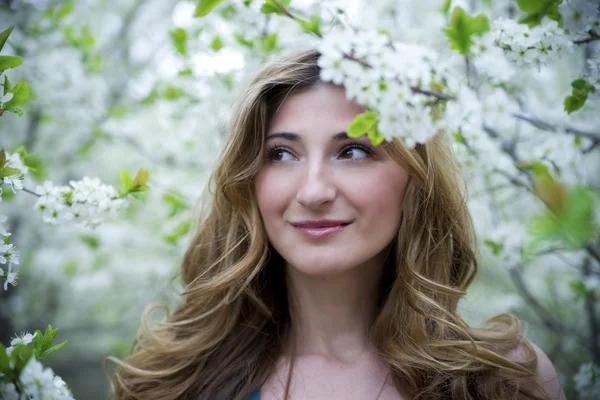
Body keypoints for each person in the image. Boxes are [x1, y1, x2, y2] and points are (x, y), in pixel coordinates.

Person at [107, 48, 566, 400]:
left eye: (354, 151)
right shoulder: (175, 382)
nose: (314, 192)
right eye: (281, 154)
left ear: (416, 180)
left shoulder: (504, 381)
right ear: (248, 183)